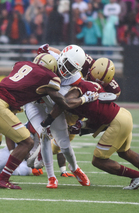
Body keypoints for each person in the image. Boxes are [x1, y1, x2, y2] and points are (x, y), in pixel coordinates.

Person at [0, 53, 97, 189]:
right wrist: (85, 98)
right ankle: (2, 179)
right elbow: (62, 102)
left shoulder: (21, 64)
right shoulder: (50, 77)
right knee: (27, 142)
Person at [45, 59, 139, 190]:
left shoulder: (79, 87)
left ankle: (138, 176)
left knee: (98, 160)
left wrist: (50, 118)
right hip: (123, 114)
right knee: (125, 152)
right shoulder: (92, 85)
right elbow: (98, 118)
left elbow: (66, 102)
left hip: (116, 121)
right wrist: (81, 125)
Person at [24, 44, 91, 189]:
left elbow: (61, 103)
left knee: (65, 145)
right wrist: (53, 50)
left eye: (72, 68)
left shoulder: (74, 79)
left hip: (53, 106)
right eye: (67, 64)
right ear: (62, 57)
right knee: (44, 135)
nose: (68, 70)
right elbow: (42, 48)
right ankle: (51, 177)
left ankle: (75, 168)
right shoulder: (50, 58)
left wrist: (49, 120)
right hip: (34, 104)